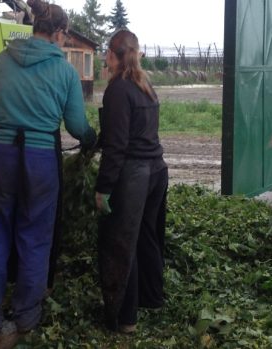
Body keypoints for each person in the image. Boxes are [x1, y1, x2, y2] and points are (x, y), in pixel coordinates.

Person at [0, 0, 96, 334]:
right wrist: (92, 138)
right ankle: (26, 317)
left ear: (32, 27)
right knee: (35, 237)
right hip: (40, 161)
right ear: (58, 32)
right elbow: (76, 125)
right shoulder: (65, 71)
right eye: (64, 34)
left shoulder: (1, 60)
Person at [95, 29, 168, 334]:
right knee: (147, 236)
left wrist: (103, 188)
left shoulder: (117, 90)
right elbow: (134, 130)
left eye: (106, 54)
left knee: (121, 244)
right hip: (157, 171)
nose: (105, 59)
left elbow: (117, 146)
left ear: (112, 55)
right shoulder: (145, 84)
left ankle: (126, 318)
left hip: (134, 175)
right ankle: (152, 298)